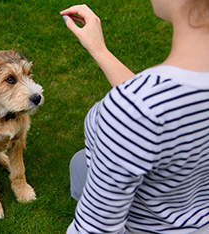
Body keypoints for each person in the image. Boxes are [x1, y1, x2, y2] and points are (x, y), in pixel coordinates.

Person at [60, 1, 209, 233]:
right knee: (80, 160)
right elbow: (165, 103)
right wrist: (99, 49)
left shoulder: (134, 110)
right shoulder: (151, 104)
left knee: (80, 164)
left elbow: (97, 229)